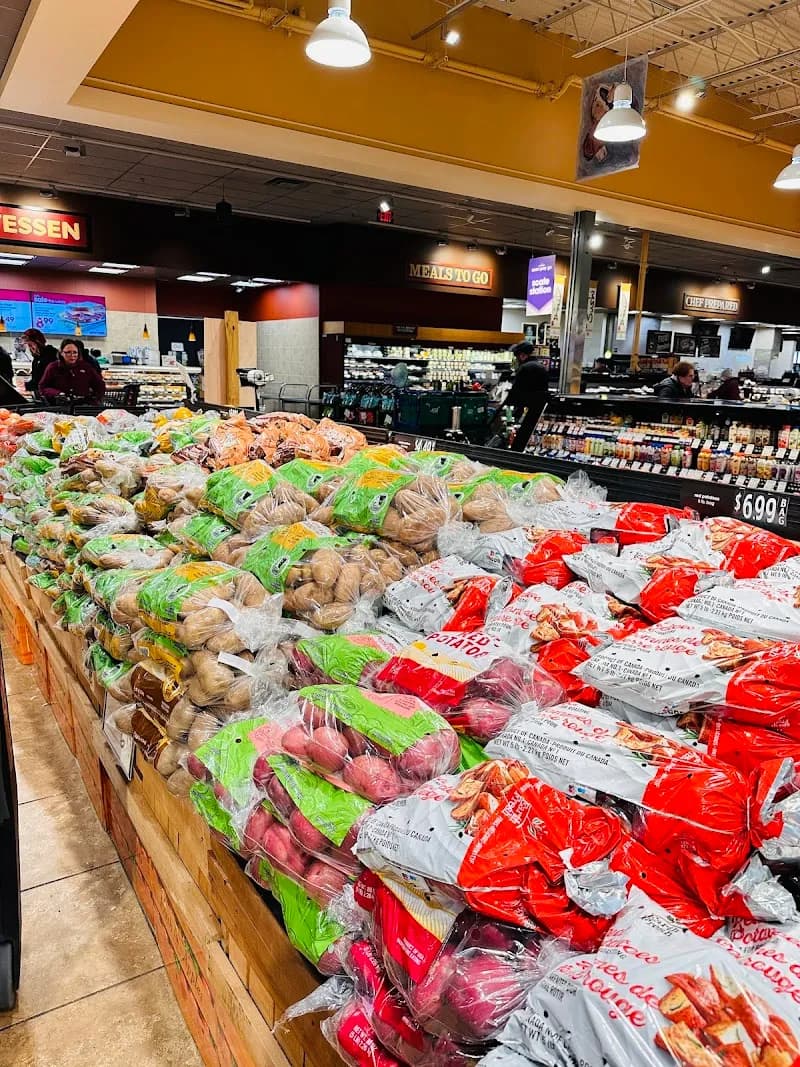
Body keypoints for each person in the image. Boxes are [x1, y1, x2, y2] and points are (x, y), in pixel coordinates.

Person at [493, 341, 550, 453]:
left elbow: (516, 392)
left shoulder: (524, 368)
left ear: (522, 355)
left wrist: (504, 407)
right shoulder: (541, 367)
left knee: (519, 439)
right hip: (539, 409)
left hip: (525, 410)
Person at [38, 338, 105, 405]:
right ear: (61, 353)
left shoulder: (86, 367)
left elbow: (100, 385)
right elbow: (43, 387)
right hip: (59, 406)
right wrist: (58, 394)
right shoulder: (53, 367)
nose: (72, 355)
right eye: (68, 352)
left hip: (82, 407)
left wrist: (94, 400)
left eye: (75, 352)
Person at [21, 328, 57, 395]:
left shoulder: (51, 356)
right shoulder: (36, 359)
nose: (30, 348)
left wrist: (27, 386)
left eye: (31, 345)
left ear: (38, 342)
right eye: (28, 346)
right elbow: (35, 380)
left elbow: (43, 382)